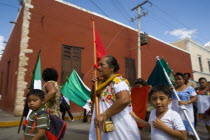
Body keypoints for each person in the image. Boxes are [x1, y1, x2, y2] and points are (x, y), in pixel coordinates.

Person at [89, 55, 140, 140]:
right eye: (99, 65)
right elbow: (94, 99)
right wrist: (94, 87)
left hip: (119, 127)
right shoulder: (101, 83)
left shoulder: (118, 80)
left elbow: (124, 100)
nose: (98, 68)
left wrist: (104, 115)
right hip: (104, 126)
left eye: (102, 65)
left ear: (112, 68)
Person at [172, 72, 197, 139]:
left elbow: (195, 98)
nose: (177, 81)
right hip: (175, 113)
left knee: (191, 132)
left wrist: (187, 102)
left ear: (183, 79)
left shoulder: (189, 88)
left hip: (186, 114)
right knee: (179, 133)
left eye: (179, 79)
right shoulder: (173, 89)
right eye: (176, 79)